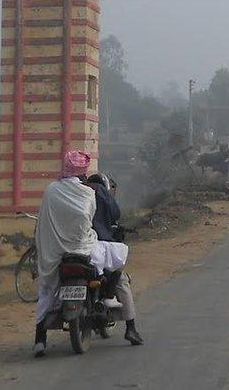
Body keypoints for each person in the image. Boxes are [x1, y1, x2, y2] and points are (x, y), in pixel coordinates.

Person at [32, 151, 129, 358]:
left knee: (46, 291)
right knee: (116, 255)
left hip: (55, 251)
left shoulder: (51, 190)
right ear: (82, 172)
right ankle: (109, 297)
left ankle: (39, 340)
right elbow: (89, 220)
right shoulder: (87, 194)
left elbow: (44, 221)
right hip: (83, 248)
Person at [85, 173, 144, 346]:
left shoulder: (77, 192)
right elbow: (115, 214)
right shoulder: (103, 193)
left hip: (74, 247)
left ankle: (40, 334)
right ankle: (131, 328)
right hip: (99, 245)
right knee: (121, 279)